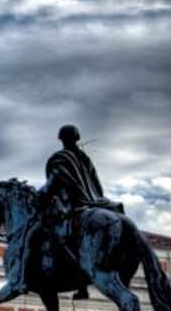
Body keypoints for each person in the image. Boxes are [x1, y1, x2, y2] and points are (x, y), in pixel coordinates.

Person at [38, 124, 123, 300]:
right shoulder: (85, 158)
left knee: (52, 234)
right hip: (94, 202)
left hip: (73, 206)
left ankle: (74, 280)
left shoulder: (60, 158)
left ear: (61, 139)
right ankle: (82, 287)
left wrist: (38, 196)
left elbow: (52, 183)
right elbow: (97, 184)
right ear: (77, 138)